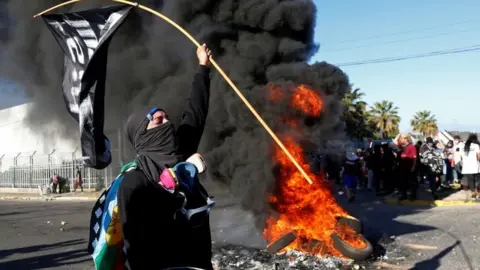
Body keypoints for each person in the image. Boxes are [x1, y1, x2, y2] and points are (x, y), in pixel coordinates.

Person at [117, 44, 214, 269]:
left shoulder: (182, 152)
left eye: (167, 117)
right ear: (143, 134)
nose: (168, 123)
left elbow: (195, 112)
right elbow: (134, 246)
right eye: (159, 120)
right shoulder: (135, 182)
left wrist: (203, 67)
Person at [394, 133, 417, 200]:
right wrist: (399, 134)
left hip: (410, 167)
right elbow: (395, 141)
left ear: (406, 139)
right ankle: (404, 195)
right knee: (403, 182)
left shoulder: (412, 147)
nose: (401, 140)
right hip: (403, 167)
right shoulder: (403, 146)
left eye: (402, 138)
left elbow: (415, 157)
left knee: (411, 182)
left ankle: (413, 196)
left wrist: (413, 166)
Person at [460, 133, 480, 201]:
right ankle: (478, 194)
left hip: (466, 167)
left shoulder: (462, 146)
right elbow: (479, 156)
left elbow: (461, 156)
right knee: (477, 180)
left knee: (471, 181)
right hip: (475, 166)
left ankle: (473, 194)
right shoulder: (476, 145)